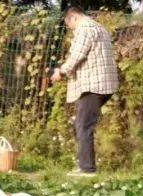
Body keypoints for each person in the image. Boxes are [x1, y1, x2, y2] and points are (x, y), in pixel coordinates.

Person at [50, 6, 119, 177]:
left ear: (72, 18)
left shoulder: (85, 28)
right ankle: (84, 165)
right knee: (82, 123)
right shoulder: (98, 27)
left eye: (69, 26)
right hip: (103, 84)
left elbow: (77, 55)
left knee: (83, 125)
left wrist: (61, 71)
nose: (71, 30)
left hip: (92, 85)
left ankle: (87, 169)